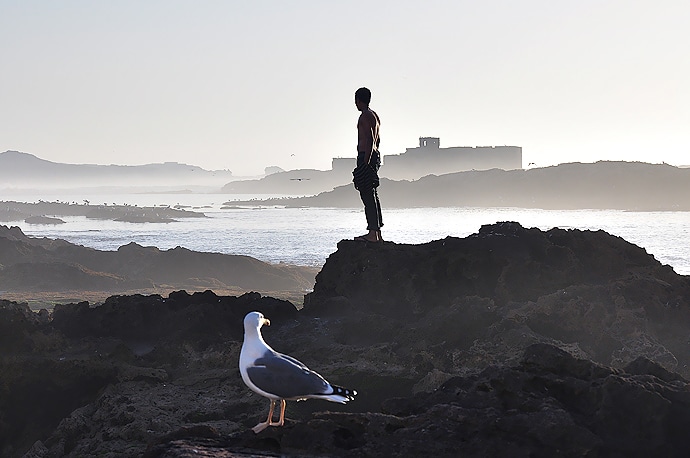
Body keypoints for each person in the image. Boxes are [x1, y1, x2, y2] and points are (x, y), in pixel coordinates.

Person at [353, 87, 383, 242]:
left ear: (358, 100)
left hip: (366, 156)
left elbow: (370, 140)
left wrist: (365, 162)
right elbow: (377, 140)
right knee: (373, 194)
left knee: (367, 194)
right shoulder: (375, 116)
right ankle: (377, 233)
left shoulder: (364, 116)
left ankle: (372, 232)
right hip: (375, 155)